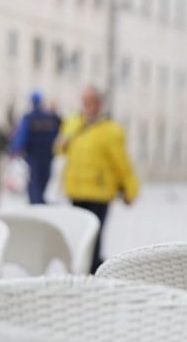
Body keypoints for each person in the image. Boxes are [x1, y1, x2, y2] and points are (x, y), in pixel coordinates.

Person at [55, 86, 139, 274]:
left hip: (99, 191)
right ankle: (82, 266)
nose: (85, 106)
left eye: (89, 102)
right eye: (83, 101)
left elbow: (122, 163)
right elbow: (59, 150)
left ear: (99, 104)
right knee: (80, 232)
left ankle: (92, 270)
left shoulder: (111, 130)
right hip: (76, 189)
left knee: (95, 234)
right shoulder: (72, 123)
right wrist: (61, 143)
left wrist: (130, 189)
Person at [10, 91, 61, 204]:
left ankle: (36, 206)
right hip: (47, 157)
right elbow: (58, 133)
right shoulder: (50, 118)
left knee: (34, 185)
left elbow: (21, 137)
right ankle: (40, 203)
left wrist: (14, 150)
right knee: (43, 183)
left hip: (33, 157)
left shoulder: (29, 118)